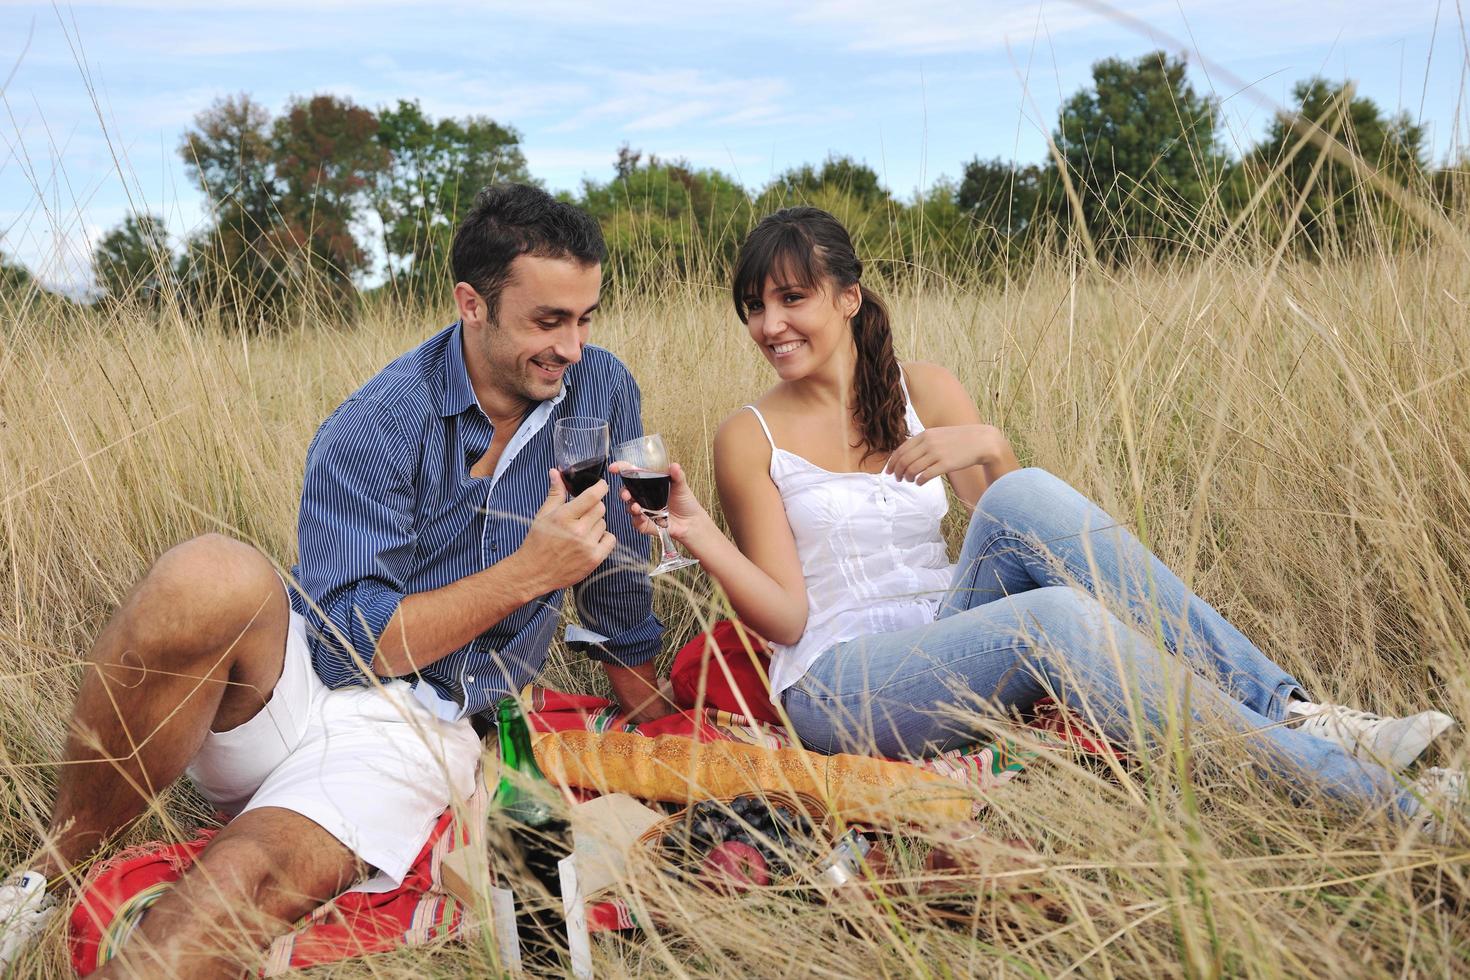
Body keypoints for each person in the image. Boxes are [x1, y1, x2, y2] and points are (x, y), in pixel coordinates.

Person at [612, 205, 1461, 835]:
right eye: (753, 308)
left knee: (1025, 496)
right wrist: (696, 531)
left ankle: (1298, 714)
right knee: (1052, 622)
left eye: (790, 299)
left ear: (846, 297)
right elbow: (787, 618)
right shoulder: (746, 435)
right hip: (843, 685)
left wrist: (988, 442)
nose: (769, 325)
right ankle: (1380, 801)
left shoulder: (926, 388)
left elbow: (1018, 531)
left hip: (948, 632)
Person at [0, 184, 668, 976]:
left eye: (586, 316)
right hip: (300, 678)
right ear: (472, 304)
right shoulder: (381, 419)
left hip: (414, 725)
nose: (573, 346)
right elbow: (356, 640)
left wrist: (653, 710)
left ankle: (247, 848)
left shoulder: (599, 390)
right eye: (548, 321)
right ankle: (46, 872)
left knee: (235, 887)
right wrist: (527, 575)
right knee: (205, 571)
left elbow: (615, 565)